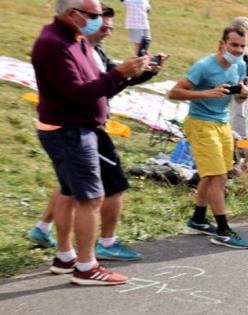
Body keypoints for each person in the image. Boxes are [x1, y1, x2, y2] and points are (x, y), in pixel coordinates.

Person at [27, 4, 166, 261]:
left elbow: (104, 86)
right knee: (91, 197)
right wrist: (119, 74)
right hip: (72, 130)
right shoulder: (57, 44)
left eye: (106, 23)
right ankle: (88, 260)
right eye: (96, 19)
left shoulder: (80, 45)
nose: (103, 28)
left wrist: (136, 73)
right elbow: (81, 93)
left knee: (71, 190)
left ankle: (64, 255)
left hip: (83, 128)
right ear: (73, 14)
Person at [168, 25, 248, 249]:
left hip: (222, 123)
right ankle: (223, 230)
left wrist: (243, 95)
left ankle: (198, 219)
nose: (237, 50)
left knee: (213, 174)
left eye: (242, 46)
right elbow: (174, 92)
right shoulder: (204, 66)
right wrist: (206, 93)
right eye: (233, 45)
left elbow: (237, 99)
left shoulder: (240, 65)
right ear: (222, 44)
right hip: (200, 122)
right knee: (218, 177)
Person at [230, 16, 248, 139]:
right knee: (239, 112)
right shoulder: (244, 50)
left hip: (241, 84)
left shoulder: (245, 50)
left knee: (239, 112)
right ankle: (239, 137)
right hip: (237, 83)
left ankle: (240, 138)